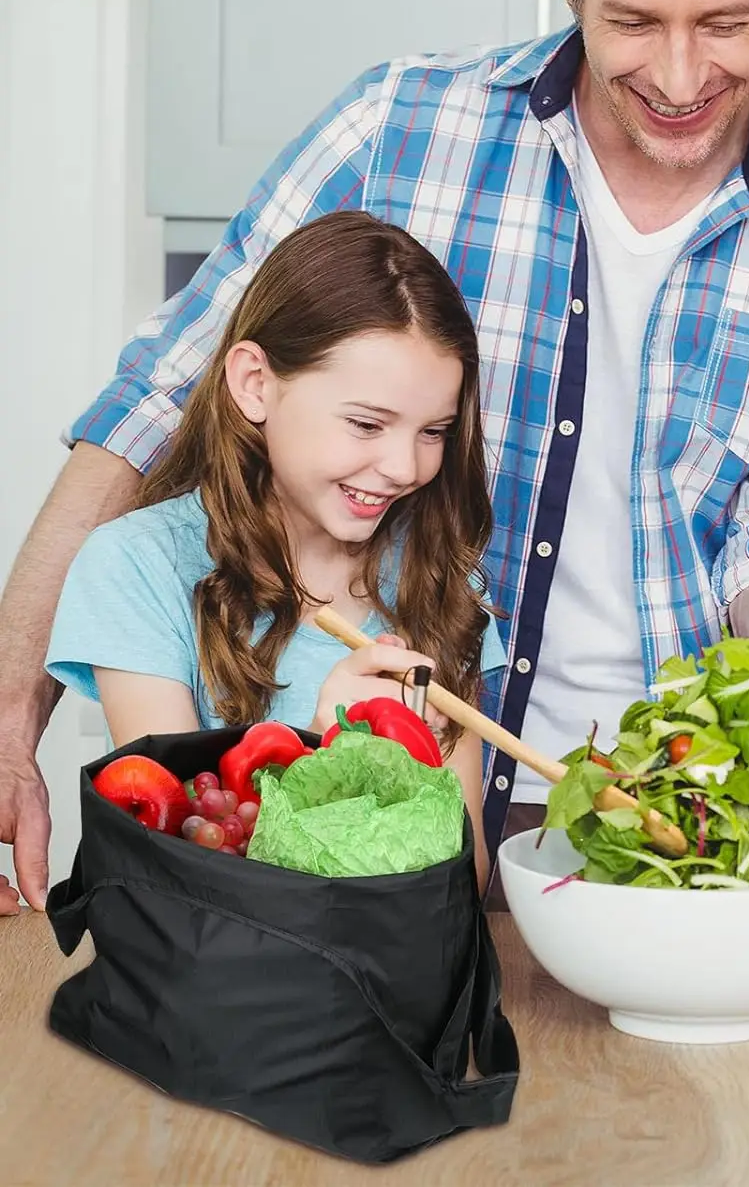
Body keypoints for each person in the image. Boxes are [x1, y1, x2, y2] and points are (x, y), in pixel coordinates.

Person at [0, 0, 749, 913]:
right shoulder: (399, 128)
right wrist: (11, 709)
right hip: (433, 790)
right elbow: (162, 395)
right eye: (632, 21)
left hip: (693, 819)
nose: (682, 75)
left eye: (726, 25)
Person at [44, 213, 494, 889]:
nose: (404, 466)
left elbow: (467, 879)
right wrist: (324, 755)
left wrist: (409, 772)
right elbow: (183, 870)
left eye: (434, 431)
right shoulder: (134, 569)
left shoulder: (436, 584)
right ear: (256, 384)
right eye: (367, 423)